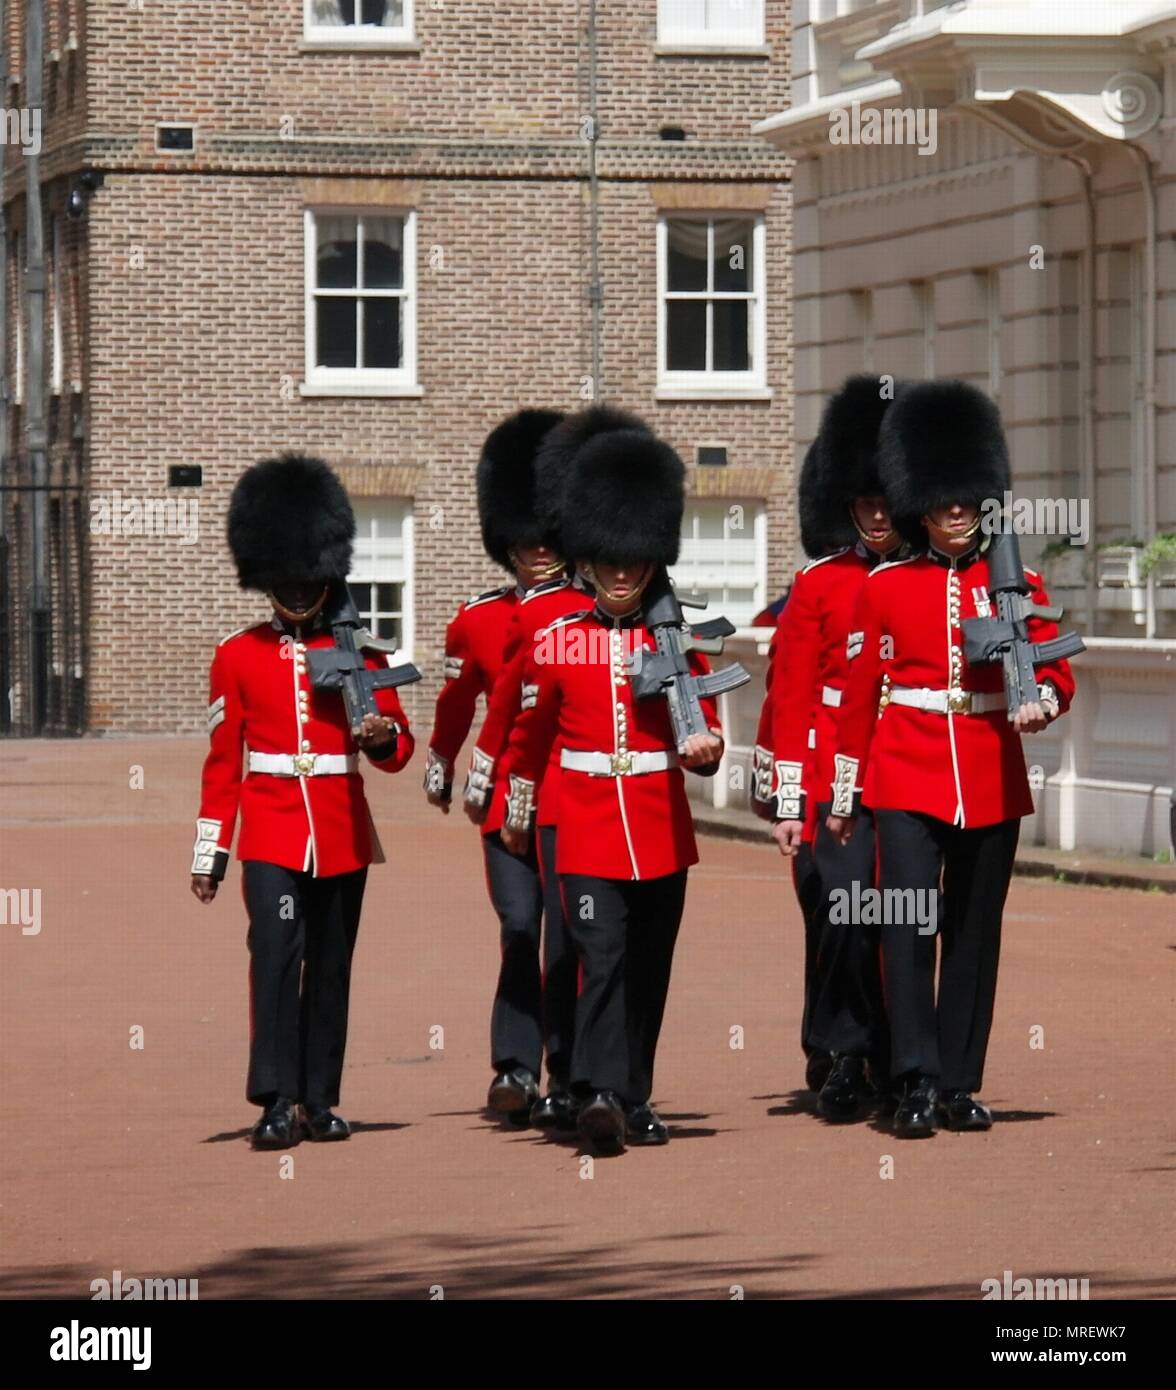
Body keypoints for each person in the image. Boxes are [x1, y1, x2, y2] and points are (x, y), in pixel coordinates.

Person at [826, 380, 1077, 1137]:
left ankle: (961, 1082)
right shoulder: (885, 588)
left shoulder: (1021, 585)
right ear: (921, 505)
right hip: (905, 770)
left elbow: (1058, 674)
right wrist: (843, 794)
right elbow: (858, 695)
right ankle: (913, 1080)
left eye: (966, 499)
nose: (957, 512)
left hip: (991, 773)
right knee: (909, 929)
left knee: (975, 931)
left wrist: (1045, 702)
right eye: (942, 502)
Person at [500, 408, 727, 1154]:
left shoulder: (682, 645)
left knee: (648, 967)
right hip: (589, 826)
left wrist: (708, 751)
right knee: (599, 956)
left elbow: (709, 731)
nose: (625, 572)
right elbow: (529, 740)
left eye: (637, 559)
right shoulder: (557, 642)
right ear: (588, 559)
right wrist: (519, 807)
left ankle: (633, 1092)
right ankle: (595, 1091)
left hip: (660, 822)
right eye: (611, 559)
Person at [190, 454, 415, 1150]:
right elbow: (223, 763)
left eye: (306, 577)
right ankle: (275, 1097)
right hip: (270, 833)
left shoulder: (364, 655)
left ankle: (320, 1099)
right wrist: (211, 850)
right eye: (283, 579)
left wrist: (377, 738)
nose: (296, 590)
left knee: (332, 965)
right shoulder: (237, 656)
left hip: (341, 829)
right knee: (275, 953)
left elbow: (401, 748)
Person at [764, 376, 905, 1120]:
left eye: (886, 500)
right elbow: (788, 700)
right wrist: (791, 802)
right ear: (845, 505)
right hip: (828, 782)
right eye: (864, 503)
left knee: (894, 917)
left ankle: (880, 1050)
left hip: (904, 772)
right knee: (841, 911)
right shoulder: (818, 586)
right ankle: (841, 1048)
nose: (877, 515)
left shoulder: (923, 580)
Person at [457, 409, 594, 1129]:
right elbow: (459, 704)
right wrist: (446, 766)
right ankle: (514, 1066)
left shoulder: (590, 615)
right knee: (519, 926)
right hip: (503, 798)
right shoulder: (478, 619)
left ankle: (569, 1069)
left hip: (568, 801)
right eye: (521, 539)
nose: (534, 550)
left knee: (569, 935)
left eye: (545, 537)